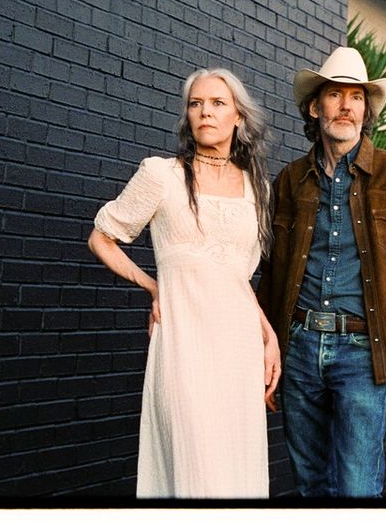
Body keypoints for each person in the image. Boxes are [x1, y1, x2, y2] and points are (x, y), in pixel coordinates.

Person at [256, 46, 386, 497]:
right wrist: (262, 349)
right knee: (310, 485)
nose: (346, 106)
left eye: (357, 97)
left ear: (366, 111)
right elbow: (270, 269)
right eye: (335, 95)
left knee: (358, 489)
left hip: (363, 350)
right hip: (299, 348)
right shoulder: (290, 180)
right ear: (314, 106)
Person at [88, 68, 281, 498]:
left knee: (236, 475)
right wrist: (152, 286)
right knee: (195, 473)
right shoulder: (162, 175)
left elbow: (239, 279)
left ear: (238, 118)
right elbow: (102, 237)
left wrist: (268, 337)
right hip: (184, 347)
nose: (205, 112)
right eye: (196, 104)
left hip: (238, 349)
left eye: (217, 104)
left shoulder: (258, 189)